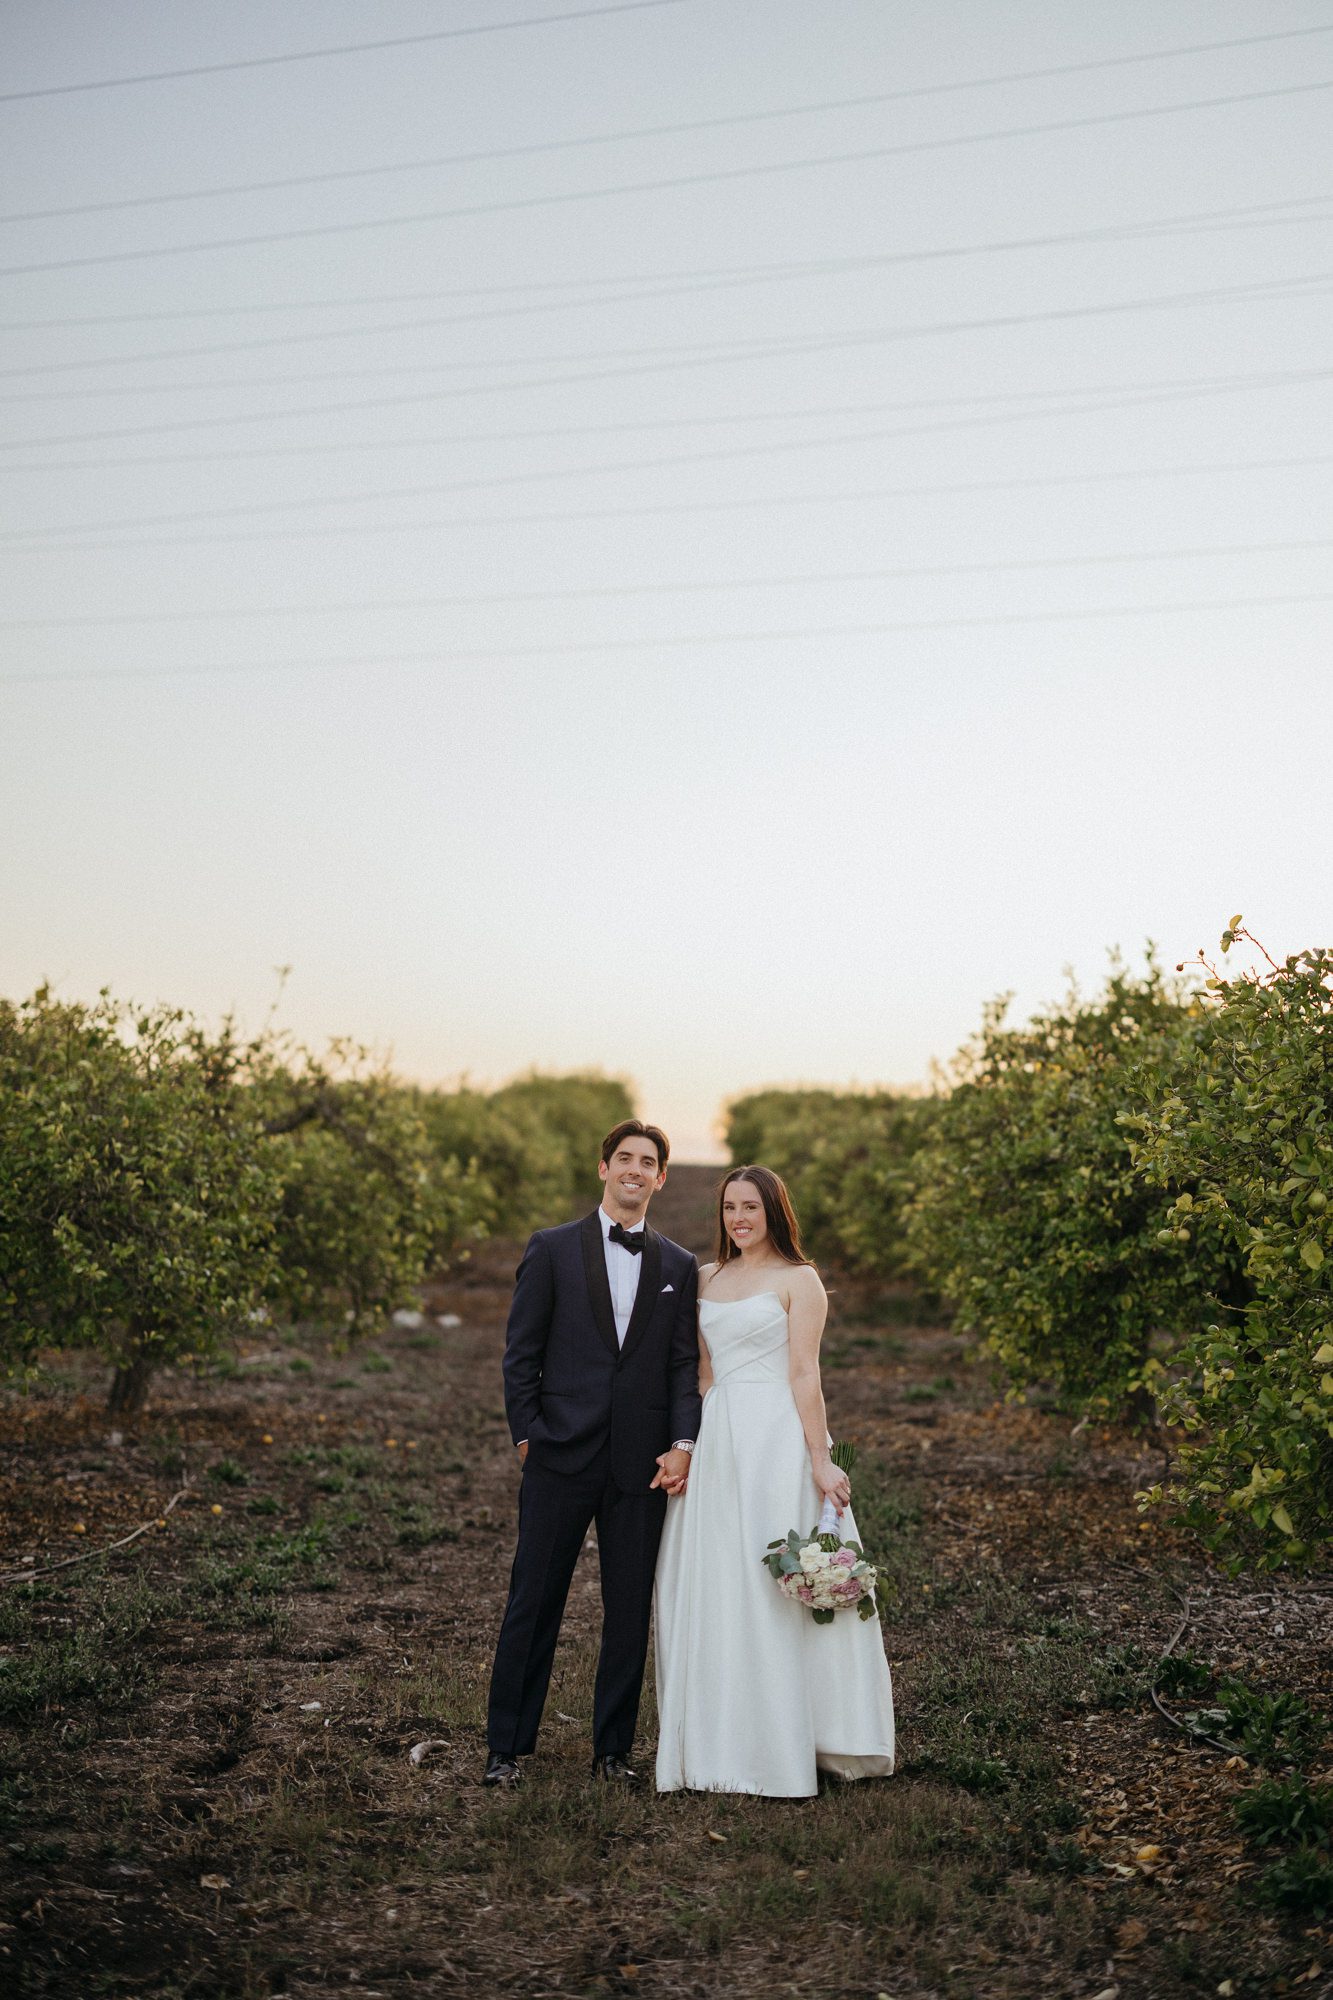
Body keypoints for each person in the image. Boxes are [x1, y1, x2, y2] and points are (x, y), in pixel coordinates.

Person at [653, 1164, 896, 1796]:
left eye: (751, 1209)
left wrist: (820, 1458)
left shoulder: (799, 1280)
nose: (738, 1219)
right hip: (719, 1437)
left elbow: (804, 1375)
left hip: (775, 1440)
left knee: (771, 1585)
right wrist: (686, 1446)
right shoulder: (706, 1277)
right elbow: (702, 1376)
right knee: (718, 1579)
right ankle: (719, 1735)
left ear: (774, 1213)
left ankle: (796, 1734)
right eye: (730, 1208)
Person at [483, 1119, 702, 1787]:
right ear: (603, 1168)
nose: (635, 1170)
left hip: (640, 1466)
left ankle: (612, 1752)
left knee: (628, 1609)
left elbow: (681, 1365)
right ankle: (505, 1749)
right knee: (534, 1600)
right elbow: (520, 1356)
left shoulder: (677, 1264)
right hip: (558, 1455)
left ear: (661, 1178)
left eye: (648, 1162)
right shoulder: (550, 1249)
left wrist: (682, 1444)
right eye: (625, 1158)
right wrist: (528, 1436)